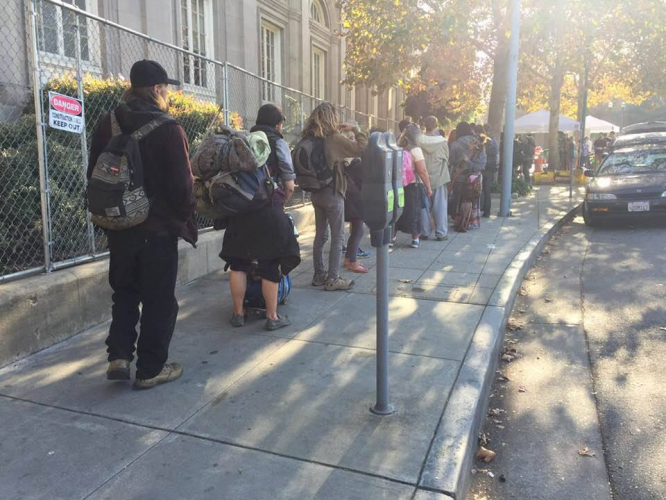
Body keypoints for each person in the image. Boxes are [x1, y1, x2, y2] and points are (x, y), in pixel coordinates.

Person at [87, 60, 196, 389]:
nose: (167, 93)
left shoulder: (107, 123)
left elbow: (95, 171)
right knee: (159, 300)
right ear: (156, 89)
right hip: (157, 230)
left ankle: (118, 357)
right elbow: (182, 186)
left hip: (119, 227)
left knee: (124, 292)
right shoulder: (169, 128)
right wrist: (186, 215)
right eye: (165, 87)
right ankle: (151, 369)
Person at [223, 105, 301, 331]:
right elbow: (288, 183)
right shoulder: (277, 142)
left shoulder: (243, 140)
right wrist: (281, 201)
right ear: (278, 124)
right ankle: (272, 316)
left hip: (240, 208)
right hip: (268, 209)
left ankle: (238, 313)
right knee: (270, 264)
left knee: (238, 262)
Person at [303, 102, 368, 291]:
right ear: (332, 117)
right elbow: (361, 148)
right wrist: (356, 129)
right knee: (337, 237)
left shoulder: (309, 137)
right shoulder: (334, 138)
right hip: (333, 192)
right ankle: (333, 278)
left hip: (315, 192)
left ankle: (318, 275)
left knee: (320, 235)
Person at [250, 104, 295, 210]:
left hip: (245, 199)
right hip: (269, 201)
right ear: (277, 125)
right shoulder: (279, 143)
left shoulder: (247, 139)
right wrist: (281, 202)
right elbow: (290, 187)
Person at [396, 123, 432, 248]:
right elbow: (422, 171)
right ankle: (415, 239)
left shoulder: (397, 146)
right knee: (414, 211)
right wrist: (428, 186)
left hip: (398, 184)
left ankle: (392, 237)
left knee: (397, 210)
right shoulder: (415, 149)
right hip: (412, 184)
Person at [449, 122, 486, 230]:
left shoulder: (455, 144)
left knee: (459, 199)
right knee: (472, 199)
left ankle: (460, 221)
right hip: (474, 177)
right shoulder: (478, 142)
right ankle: (471, 221)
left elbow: (451, 161)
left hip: (459, 176)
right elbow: (482, 161)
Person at [419, 116, 450, 241]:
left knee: (423, 206)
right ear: (436, 125)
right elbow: (447, 159)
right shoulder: (442, 142)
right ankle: (441, 232)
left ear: (424, 125)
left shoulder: (419, 140)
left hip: (422, 177)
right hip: (440, 176)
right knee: (440, 206)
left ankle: (424, 232)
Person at [482, 125, 499, 217]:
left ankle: (480, 209)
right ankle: (486, 211)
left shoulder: (484, 139)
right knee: (487, 190)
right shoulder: (494, 139)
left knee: (480, 189)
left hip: (483, 166)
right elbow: (496, 153)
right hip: (490, 167)